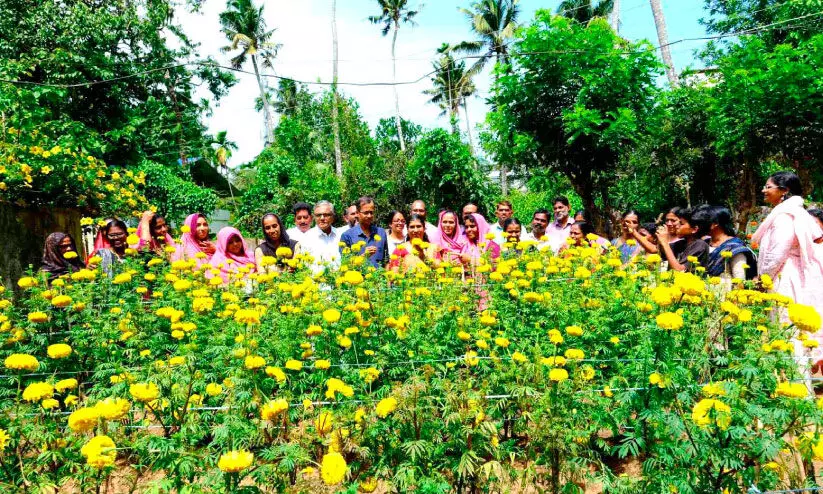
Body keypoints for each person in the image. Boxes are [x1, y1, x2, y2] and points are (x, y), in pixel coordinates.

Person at [752, 171, 823, 321]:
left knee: (782, 323)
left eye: (768, 187)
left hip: (784, 275)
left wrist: (762, 279)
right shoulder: (792, 212)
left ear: (784, 190)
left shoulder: (785, 216)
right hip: (788, 272)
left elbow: (776, 254)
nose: (763, 190)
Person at [705, 206, 757, 280]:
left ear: (715, 223)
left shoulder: (735, 248)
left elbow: (739, 280)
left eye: (704, 220)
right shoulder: (704, 244)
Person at [656, 207, 710, 272]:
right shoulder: (680, 244)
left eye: (681, 224)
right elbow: (659, 255)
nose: (676, 225)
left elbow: (680, 270)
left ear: (694, 229)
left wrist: (665, 242)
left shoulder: (700, 245)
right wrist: (660, 240)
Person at [341, 197, 388, 268]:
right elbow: (345, 264)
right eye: (366, 213)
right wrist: (364, 256)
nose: (369, 216)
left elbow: (386, 260)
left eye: (371, 212)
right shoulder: (347, 236)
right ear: (357, 213)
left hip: (379, 278)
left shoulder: (381, 232)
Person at [302, 201, 343, 274]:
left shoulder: (341, 235)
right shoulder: (307, 238)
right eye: (318, 215)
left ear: (333, 217)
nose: (322, 218)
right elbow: (304, 265)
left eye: (326, 215)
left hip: (340, 282)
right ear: (314, 217)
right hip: (316, 283)